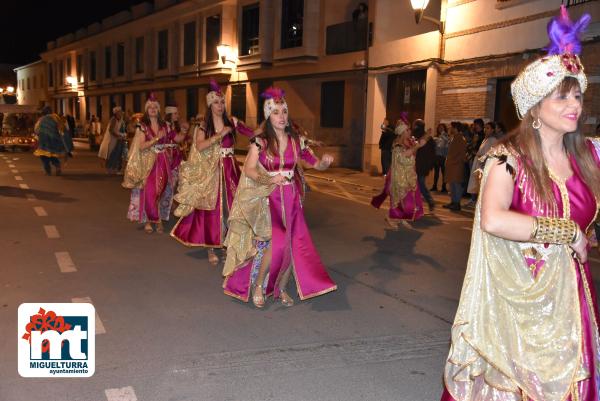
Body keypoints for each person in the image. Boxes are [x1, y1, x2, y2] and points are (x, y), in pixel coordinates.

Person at [440, 7, 600, 401]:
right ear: (535, 107)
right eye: (561, 96)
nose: (573, 104)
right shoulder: (508, 158)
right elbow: (493, 219)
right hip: (518, 305)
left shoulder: (590, 156)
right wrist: (568, 231)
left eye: (576, 95)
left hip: (571, 305)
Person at [222, 87, 337, 308]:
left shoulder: (297, 141)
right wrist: (269, 180)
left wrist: (324, 162)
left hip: (292, 199)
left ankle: (280, 288)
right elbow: (249, 170)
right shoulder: (260, 142)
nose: (282, 116)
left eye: (284, 111)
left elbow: (315, 164)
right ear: (268, 115)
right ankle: (257, 286)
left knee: (292, 244)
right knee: (278, 243)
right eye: (276, 112)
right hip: (270, 199)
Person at [170, 80, 255, 265]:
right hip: (213, 171)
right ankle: (211, 246)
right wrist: (219, 135)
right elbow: (199, 146)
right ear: (210, 104)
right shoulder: (204, 126)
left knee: (233, 206)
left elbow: (252, 133)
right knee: (213, 208)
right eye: (216, 102)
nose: (220, 105)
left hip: (231, 169)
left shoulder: (232, 121)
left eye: (222, 102)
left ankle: (228, 244)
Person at [123, 93, 186, 234]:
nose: (152, 109)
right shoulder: (143, 127)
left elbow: (177, 139)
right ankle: (151, 220)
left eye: (155, 107)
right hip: (149, 164)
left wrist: (184, 131)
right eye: (149, 107)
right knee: (150, 192)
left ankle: (156, 218)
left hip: (163, 163)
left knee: (161, 192)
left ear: (158, 109)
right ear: (146, 110)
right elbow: (142, 146)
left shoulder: (165, 126)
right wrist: (157, 138)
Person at [371, 113, 431, 228]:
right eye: (408, 130)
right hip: (399, 176)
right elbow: (404, 157)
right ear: (402, 132)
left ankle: (402, 218)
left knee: (409, 201)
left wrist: (426, 136)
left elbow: (419, 144)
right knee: (399, 200)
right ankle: (390, 217)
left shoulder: (409, 142)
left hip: (409, 175)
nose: (410, 131)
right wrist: (417, 146)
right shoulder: (397, 144)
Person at [465, 121, 500, 207]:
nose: (485, 130)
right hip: (479, 162)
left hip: (485, 164)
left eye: (488, 128)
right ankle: (476, 200)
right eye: (485, 128)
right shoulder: (485, 139)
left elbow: (491, 153)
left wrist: (481, 156)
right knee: (477, 184)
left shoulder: (493, 140)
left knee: (484, 184)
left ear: (492, 130)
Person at [33, 106, 73, 176]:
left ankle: (48, 170)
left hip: (43, 141)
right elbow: (62, 129)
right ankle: (57, 166)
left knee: (43, 156)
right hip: (54, 140)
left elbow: (36, 130)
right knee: (53, 155)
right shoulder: (56, 118)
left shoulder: (41, 120)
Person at [443, 122, 467, 211]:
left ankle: (457, 203)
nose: (450, 129)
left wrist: (453, 161)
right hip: (452, 165)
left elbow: (462, 154)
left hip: (456, 165)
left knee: (456, 185)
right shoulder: (455, 138)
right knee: (452, 184)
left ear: (455, 128)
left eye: (451, 127)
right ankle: (453, 202)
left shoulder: (460, 138)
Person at [413, 119, 436, 211]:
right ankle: (417, 204)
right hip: (417, 164)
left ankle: (429, 201)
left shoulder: (423, 137)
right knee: (416, 185)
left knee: (420, 184)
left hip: (420, 165)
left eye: (415, 125)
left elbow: (431, 152)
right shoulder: (423, 137)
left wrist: (429, 164)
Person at [104, 107, 127, 174]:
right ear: (116, 113)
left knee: (119, 154)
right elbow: (111, 130)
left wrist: (123, 135)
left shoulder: (122, 121)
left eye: (121, 112)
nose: (121, 114)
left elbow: (123, 129)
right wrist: (118, 136)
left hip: (120, 139)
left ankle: (117, 169)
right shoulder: (113, 120)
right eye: (119, 112)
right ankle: (110, 168)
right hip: (114, 140)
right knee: (113, 154)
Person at [431, 123, 449, 192]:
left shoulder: (446, 136)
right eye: (439, 128)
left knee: (444, 172)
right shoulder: (436, 136)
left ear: (444, 128)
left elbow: (443, 145)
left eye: (442, 127)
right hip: (436, 156)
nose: (440, 129)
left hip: (443, 156)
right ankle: (434, 186)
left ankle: (444, 187)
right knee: (436, 172)